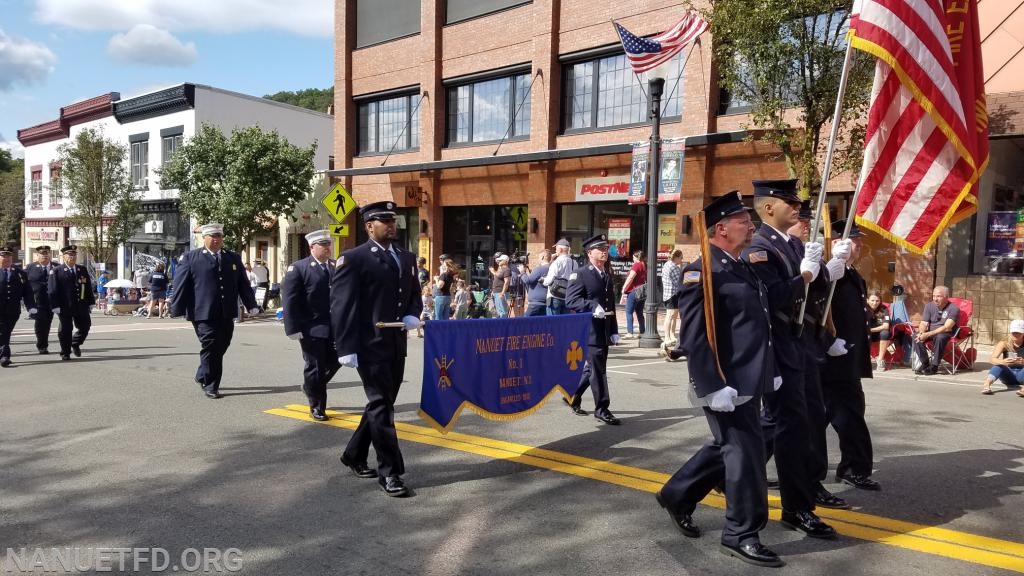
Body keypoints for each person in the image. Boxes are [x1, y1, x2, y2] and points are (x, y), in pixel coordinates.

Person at [656, 191, 781, 568]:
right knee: (745, 458)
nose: (750, 225)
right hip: (725, 383)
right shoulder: (703, 271)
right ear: (721, 228)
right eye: (743, 221)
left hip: (749, 378)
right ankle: (740, 532)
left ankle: (678, 494)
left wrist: (769, 371)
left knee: (732, 448)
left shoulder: (739, 265)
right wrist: (712, 386)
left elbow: (757, 325)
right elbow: (695, 336)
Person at [742, 179, 843, 538]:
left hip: (800, 345)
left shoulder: (794, 242)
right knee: (788, 430)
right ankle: (796, 508)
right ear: (768, 207)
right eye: (789, 201)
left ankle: (800, 499)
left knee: (804, 424)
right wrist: (806, 274)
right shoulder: (758, 248)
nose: (797, 207)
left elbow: (811, 290)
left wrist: (830, 269)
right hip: (778, 347)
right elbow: (774, 297)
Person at [331, 201, 423, 497]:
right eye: (385, 221)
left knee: (379, 404)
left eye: (393, 221)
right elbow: (342, 306)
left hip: (396, 343)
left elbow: (414, 294)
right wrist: (345, 346)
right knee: (383, 406)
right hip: (368, 345)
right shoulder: (354, 258)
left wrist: (412, 313)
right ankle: (390, 472)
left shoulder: (406, 257)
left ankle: (354, 454)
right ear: (370, 226)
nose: (392, 226)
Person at [820, 220, 881, 492]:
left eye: (857, 241)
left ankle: (845, 468)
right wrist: (829, 341)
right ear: (835, 242)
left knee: (807, 421)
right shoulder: (829, 272)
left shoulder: (852, 273)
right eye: (853, 240)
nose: (857, 246)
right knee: (849, 415)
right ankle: (854, 469)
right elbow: (816, 312)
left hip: (848, 358)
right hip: (831, 359)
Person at [169, 223, 259, 399]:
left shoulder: (232, 258)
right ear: (205, 238)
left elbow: (243, 284)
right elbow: (180, 284)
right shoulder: (191, 258)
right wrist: (176, 307)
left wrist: (252, 304)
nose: (217, 240)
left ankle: (203, 373)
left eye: (219, 236)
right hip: (202, 312)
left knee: (223, 343)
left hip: (226, 311)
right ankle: (211, 385)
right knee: (211, 345)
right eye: (213, 236)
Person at [282, 230, 339, 421]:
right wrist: (292, 328)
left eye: (328, 244)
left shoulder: (335, 266)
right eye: (323, 245)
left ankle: (310, 386)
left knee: (337, 361)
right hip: (311, 327)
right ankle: (317, 406)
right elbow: (290, 300)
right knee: (315, 366)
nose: (327, 248)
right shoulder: (299, 268)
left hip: (334, 327)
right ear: (312, 247)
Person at [565, 234, 622, 425]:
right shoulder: (581, 274)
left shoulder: (605, 274)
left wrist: (614, 329)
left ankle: (572, 395)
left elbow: (610, 304)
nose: (605, 252)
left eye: (606, 248)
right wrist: (591, 305)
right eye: (600, 249)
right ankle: (602, 408)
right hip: (589, 331)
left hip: (603, 330)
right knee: (599, 370)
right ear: (590, 253)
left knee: (592, 369)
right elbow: (571, 300)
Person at [47, 245, 95, 361]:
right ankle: (65, 352)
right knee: (65, 330)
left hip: (81, 305)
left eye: (74, 255)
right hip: (65, 306)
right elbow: (52, 290)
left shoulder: (81, 269)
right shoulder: (57, 271)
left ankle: (75, 342)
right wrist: (55, 305)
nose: (72, 257)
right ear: (64, 257)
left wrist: (91, 302)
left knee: (85, 326)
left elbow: (87, 287)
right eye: (70, 255)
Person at [1, 245, 38, 367]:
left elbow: (27, 291)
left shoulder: (20, 273)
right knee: (3, 332)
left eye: (9, 256)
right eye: (3, 256)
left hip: (13, 310)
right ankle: (5, 355)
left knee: (6, 331)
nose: (6, 258)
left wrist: (31, 306)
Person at [913, 285, 960, 375]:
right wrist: (921, 332)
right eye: (934, 296)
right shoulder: (929, 306)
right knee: (915, 336)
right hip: (931, 332)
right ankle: (925, 363)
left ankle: (934, 366)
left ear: (946, 297)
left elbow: (947, 327)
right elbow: (923, 323)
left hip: (946, 333)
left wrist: (928, 334)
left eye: (938, 296)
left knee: (940, 337)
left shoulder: (954, 309)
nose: (935, 299)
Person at [981, 319, 1024, 397]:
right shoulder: (1004, 343)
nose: (1015, 334)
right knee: (998, 365)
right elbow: (992, 359)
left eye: (1018, 333)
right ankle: (986, 385)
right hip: (1008, 374)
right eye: (1013, 332)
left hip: (1022, 374)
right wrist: (1003, 362)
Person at [25, 246, 55, 354]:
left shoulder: (56, 267)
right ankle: (42, 345)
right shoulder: (30, 268)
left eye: (47, 254)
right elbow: (24, 284)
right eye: (42, 254)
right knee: (40, 323)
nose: (45, 256)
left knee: (47, 323)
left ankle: (44, 343)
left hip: (53, 301)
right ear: (38, 256)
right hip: (37, 301)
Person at [543, 238, 577, 315]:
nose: (555, 251)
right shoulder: (574, 263)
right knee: (563, 324)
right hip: (567, 297)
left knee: (552, 324)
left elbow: (548, 281)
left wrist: (543, 281)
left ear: (560, 249)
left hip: (554, 296)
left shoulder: (556, 262)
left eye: (556, 249)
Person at [660, 249, 684, 349]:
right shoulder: (674, 268)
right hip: (672, 294)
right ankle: (667, 337)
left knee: (673, 315)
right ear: (677, 258)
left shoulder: (667, 264)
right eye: (681, 258)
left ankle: (671, 335)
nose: (682, 260)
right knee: (670, 316)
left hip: (667, 294)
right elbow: (680, 282)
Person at [621, 250, 646, 338]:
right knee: (639, 312)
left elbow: (631, 277)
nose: (632, 259)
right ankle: (642, 331)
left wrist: (624, 287)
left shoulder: (637, 265)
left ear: (636, 257)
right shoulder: (643, 265)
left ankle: (630, 332)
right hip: (641, 291)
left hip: (633, 291)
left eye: (633, 257)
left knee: (629, 311)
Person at [867, 291, 893, 371]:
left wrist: (870, 330)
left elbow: (886, 326)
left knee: (885, 333)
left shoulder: (884, 309)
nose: (875, 303)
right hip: (866, 334)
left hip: (879, 334)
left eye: (877, 301)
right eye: (872, 300)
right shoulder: (863, 308)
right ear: (867, 300)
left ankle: (880, 360)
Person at [521, 250, 552, 317]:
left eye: (539, 257)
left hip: (535, 303)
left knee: (524, 323)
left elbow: (527, 280)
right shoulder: (552, 269)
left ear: (542, 257)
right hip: (546, 302)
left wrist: (522, 272)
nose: (538, 259)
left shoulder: (539, 269)